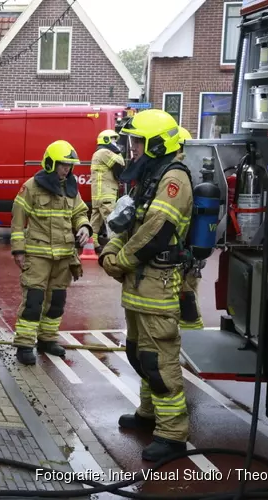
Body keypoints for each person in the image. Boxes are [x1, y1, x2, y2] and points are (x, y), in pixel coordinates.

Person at [98, 109, 193, 462]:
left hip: (157, 282)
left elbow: (156, 231)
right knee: (138, 353)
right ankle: (149, 414)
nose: (131, 148)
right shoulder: (147, 176)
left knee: (158, 358)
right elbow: (125, 219)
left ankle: (172, 435)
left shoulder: (174, 180)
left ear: (156, 144)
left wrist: (120, 261)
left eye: (137, 141)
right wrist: (110, 249)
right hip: (138, 283)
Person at [10, 140, 92, 365]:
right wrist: (18, 250)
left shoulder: (70, 187)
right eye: (63, 164)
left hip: (64, 256)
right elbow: (18, 221)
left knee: (57, 300)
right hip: (37, 255)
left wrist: (84, 226)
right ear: (50, 163)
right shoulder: (31, 187)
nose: (67, 169)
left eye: (69, 165)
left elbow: (79, 213)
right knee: (34, 300)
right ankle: (25, 343)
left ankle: (47, 339)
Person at [175, 127, 204, 330]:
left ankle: (190, 335)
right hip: (193, 249)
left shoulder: (178, 176)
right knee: (189, 293)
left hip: (183, 250)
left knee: (185, 296)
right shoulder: (194, 173)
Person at [90, 129, 125, 254]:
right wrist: (118, 151)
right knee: (112, 219)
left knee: (95, 220)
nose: (115, 143)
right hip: (105, 193)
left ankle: (92, 243)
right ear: (106, 140)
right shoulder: (104, 152)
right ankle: (115, 246)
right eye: (113, 139)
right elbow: (120, 162)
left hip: (99, 194)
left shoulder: (99, 153)